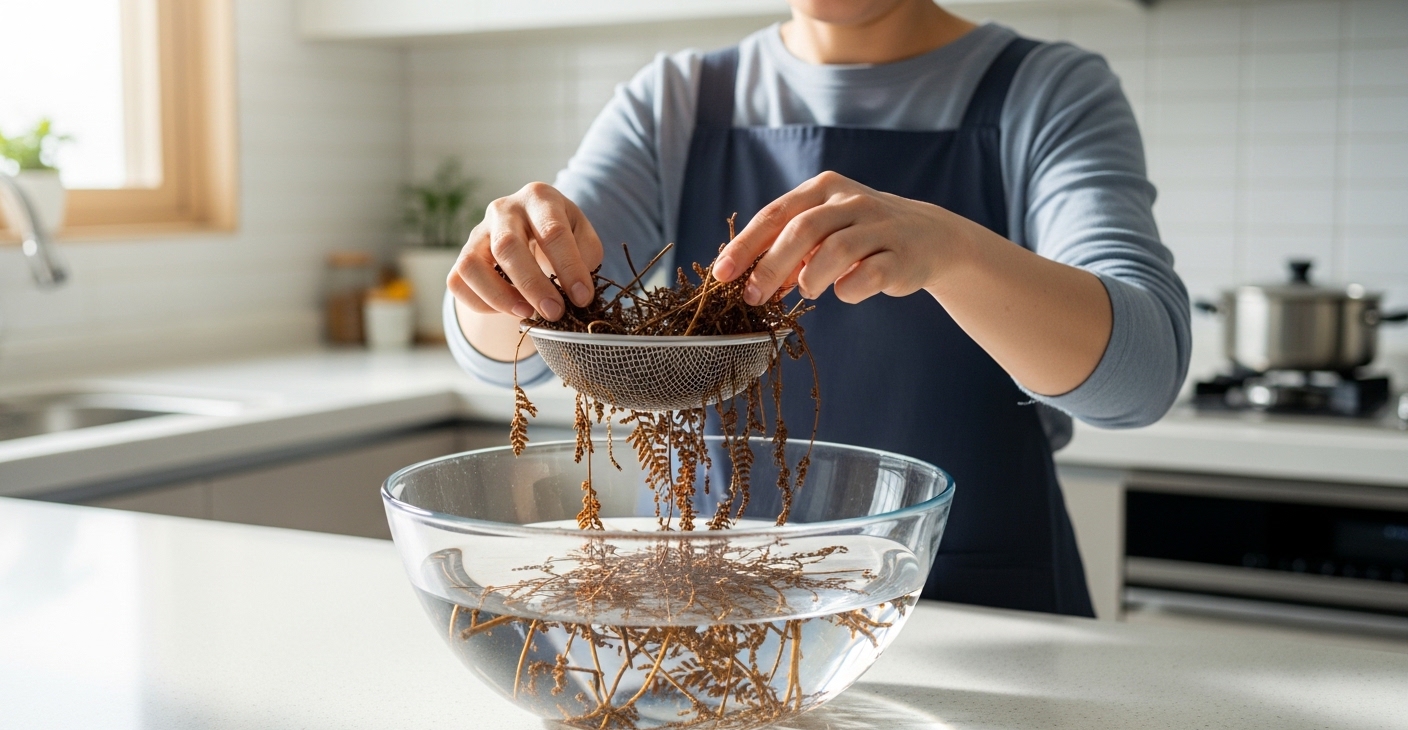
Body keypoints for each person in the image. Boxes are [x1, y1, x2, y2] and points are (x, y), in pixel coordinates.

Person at [443, 0, 1190, 617]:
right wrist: (507, 271)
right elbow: (492, 345)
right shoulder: (675, 102)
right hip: (715, 613)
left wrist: (955, 250)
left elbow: (1142, 377)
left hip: (980, 611)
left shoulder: (1048, 91)